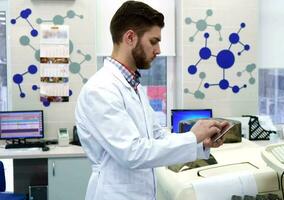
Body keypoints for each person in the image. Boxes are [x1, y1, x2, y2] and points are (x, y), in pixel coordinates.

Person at [75, 1, 229, 200]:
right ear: (130, 37)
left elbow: (157, 138)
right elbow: (132, 153)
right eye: (154, 41)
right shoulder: (101, 88)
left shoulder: (134, 86)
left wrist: (201, 143)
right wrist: (191, 138)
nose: (158, 50)